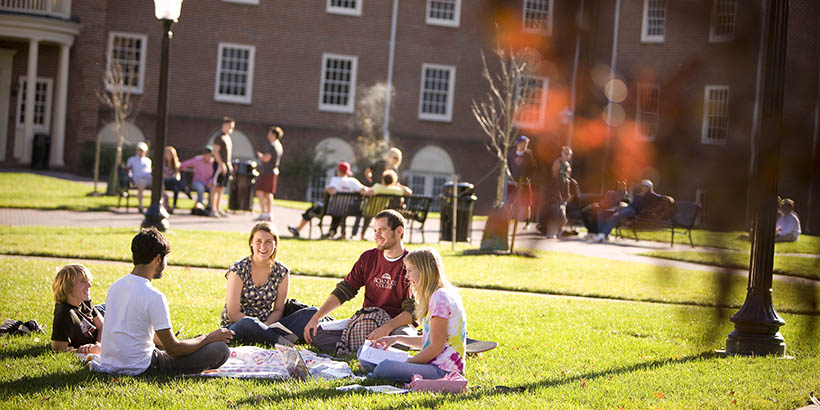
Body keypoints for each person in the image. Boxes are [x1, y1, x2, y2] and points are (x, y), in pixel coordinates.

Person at [99, 228, 233, 375]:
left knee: (195, 342)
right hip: (143, 367)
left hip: (110, 363)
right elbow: (173, 349)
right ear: (158, 259)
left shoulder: (115, 287)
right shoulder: (154, 296)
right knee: (219, 349)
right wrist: (208, 338)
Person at [303, 209, 416, 353]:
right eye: (375, 230)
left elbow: (413, 310)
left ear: (399, 231)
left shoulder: (412, 263)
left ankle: (360, 345)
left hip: (396, 325)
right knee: (317, 334)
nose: (377, 236)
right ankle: (367, 346)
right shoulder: (368, 258)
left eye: (382, 230)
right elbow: (345, 289)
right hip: (366, 321)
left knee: (403, 339)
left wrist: (386, 328)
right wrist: (317, 317)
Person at [362, 247, 467, 383]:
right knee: (364, 353)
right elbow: (429, 341)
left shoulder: (440, 298)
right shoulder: (440, 294)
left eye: (410, 271)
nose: (407, 276)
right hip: (433, 364)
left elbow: (435, 348)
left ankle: (378, 372)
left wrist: (409, 362)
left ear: (424, 271)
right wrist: (395, 339)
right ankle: (378, 367)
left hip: (442, 370)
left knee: (385, 368)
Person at [220, 222, 318, 345]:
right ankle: (282, 342)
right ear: (251, 242)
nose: (263, 246)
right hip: (239, 327)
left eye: (268, 242)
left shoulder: (282, 271)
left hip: (269, 324)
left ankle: (271, 338)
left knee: (313, 311)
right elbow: (233, 314)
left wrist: (265, 327)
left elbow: (278, 310)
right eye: (258, 241)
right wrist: (258, 326)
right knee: (248, 322)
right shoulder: (238, 269)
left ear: (275, 244)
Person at [287, 161, 369, 239]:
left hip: (331, 209)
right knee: (339, 211)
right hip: (347, 209)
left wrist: (326, 188)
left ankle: (298, 229)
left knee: (312, 210)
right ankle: (332, 230)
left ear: (338, 171)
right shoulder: (353, 182)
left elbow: (332, 191)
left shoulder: (336, 180)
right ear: (347, 172)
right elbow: (365, 191)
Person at [594, 179, 671, 242]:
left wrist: (669, 198)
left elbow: (662, 198)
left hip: (633, 211)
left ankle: (602, 234)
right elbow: (631, 202)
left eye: (645, 186)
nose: (643, 187)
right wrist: (624, 204)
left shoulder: (650, 195)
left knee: (615, 216)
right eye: (642, 186)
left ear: (649, 188)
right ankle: (603, 235)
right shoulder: (638, 194)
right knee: (601, 213)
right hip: (627, 207)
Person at [50, 264, 104, 354]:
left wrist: (99, 344)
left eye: (88, 281)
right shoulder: (65, 315)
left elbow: (102, 325)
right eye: (83, 281)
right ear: (68, 286)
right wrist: (87, 350)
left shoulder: (83, 301)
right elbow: (58, 348)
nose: (90, 285)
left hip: (104, 311)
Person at [355, 169, 412, 240]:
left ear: (383, 179)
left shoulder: (378, 187)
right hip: (382, 212)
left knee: (367, 216)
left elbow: (369, 193)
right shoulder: (393, 189)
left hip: (369, 210)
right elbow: (409, 192)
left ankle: (362, 234)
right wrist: (398, 185)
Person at [254, 126, 284, 222]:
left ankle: (264, 213)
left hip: (267, 172)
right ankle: (268, 213)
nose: (268, 135)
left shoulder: (272, 146)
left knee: (260, 191)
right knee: (268, 193)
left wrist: (261, 156)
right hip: (273, 171)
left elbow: (267, 158)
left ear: (273, 135)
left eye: (270, 133)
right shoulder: (279, 145)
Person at [507, 136, 537, 228]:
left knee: (526, 203)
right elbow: (507, 167)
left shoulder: (528, 155)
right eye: (523, 143)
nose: (525, 145)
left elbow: (533, 168)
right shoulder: (511, 154)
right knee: (510, 201)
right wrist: (511, 178)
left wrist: (527, 178)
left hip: (524, 182)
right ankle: (507, 219)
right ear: (519, 144)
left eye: (526, 143)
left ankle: (527, 222)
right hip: (513, 182)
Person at [210, 116, 234, 218]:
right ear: (224, 125)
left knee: (222, 188)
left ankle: (218, 208)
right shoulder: (218, 137)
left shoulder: (227, 137)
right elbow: (216, 152)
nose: (231, 128)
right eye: (229, 126)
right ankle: (213, 209)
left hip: (226, 165)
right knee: (215, 187)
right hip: (220, 165)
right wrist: (221, 164)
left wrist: (229, 164)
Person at [125, 141, 152, 214]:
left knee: (159, 185)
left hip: (148, 178)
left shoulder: (148, 160)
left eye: (142, 150)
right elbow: (127, 168)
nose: (141, 152)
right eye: (139, 150)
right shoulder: (132, 159)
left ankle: (156, 205)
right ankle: (140, 206)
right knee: (141, 186)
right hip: (138, 178)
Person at [161, 146, 187, 214]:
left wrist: (173, 177)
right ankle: (186, 191)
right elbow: (162, 175)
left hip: (173, 182)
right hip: (165, 182)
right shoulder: (162, 163)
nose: (169, 155)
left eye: (170, 153)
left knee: (176, 187)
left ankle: (173, 205)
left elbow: (177, 175)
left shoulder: (176, 164)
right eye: (167, 153)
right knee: (164, 184)